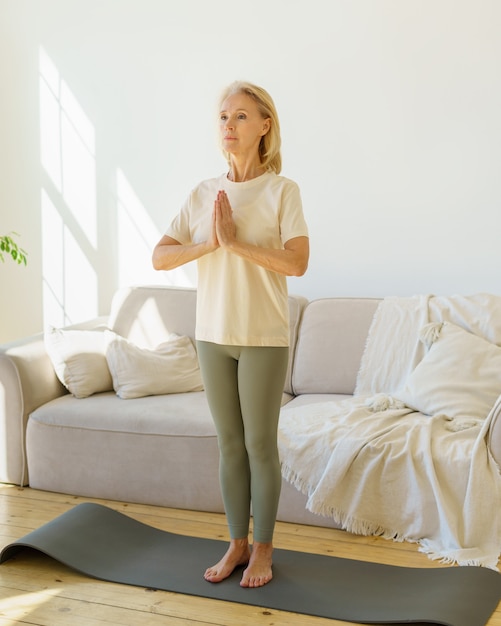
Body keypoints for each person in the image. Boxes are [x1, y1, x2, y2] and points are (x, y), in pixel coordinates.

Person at [152, 81, 309, 588]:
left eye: (241, 117)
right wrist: (210, 244)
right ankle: (237, 543)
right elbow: (160, 256)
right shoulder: (202, 193)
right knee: (229, 444)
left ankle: (263, 548)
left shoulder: (283, 191)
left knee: (261, 444)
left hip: (262, 335)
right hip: (212, 335)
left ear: (265, 126)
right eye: (223, 116)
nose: (229, 125)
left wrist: (236, 245)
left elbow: (298, 262)